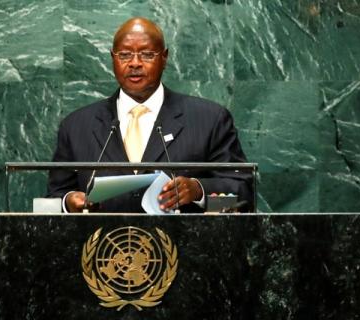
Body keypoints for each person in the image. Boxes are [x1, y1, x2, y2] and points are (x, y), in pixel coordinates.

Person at [48, 17, 252, 213]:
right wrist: (69, 204)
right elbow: (52, 201)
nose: (135, 63)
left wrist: (199, 191)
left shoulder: (209, 119)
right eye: (125, 55)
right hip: (104, 246)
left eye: (146, 54)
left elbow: (242, 199)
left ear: (164, 58)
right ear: (112, 58)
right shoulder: (76, 126)